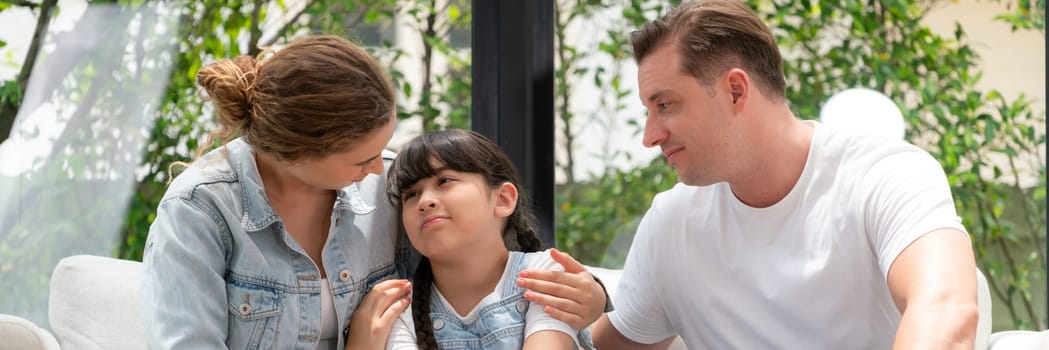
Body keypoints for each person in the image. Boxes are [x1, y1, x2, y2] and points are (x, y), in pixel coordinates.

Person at [140, 35, 607, 350]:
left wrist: (594, 298)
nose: (380, 172)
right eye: (361, 159)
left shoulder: (386, 187)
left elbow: (483, 262)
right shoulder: (200, 211)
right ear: (297, 151)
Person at [579, 0, 978, 348]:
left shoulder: (884, 174)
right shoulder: (672, 223)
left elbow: (946, 310)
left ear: (736, 90)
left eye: (665, 104)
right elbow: (615, 345)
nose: (650, 137)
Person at [383, 129, 594, 350]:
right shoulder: (400, 310)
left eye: (445, 181)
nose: (424, 201)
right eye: (411, 194)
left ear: (503, 199)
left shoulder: (546, 274)